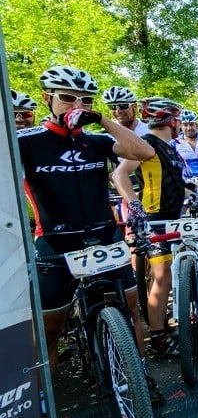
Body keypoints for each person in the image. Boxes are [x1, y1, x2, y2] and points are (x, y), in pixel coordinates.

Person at [18, 66, 156, 389]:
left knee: (129, 312)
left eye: (85, 100)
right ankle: (43, 406)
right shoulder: (28, 141)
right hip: (55, 241)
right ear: (47, 99)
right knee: (49, 332)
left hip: (104, 235)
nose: (76, 105)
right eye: (67, 98)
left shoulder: (96, 140)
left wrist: (100, 119)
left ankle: (139, 379)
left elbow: (144, 152)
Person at [111, 98, 187, 357]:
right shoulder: (149, 144)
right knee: (162, 276)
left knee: (167, 275)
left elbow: (169, 180)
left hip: (172, 216)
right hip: (154, 218)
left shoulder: (169, 147)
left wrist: (190, 192)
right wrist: (134, 205)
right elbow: (119, 175)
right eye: (178, 120)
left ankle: (162, 326)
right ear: (172, 121)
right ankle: (158, 339)